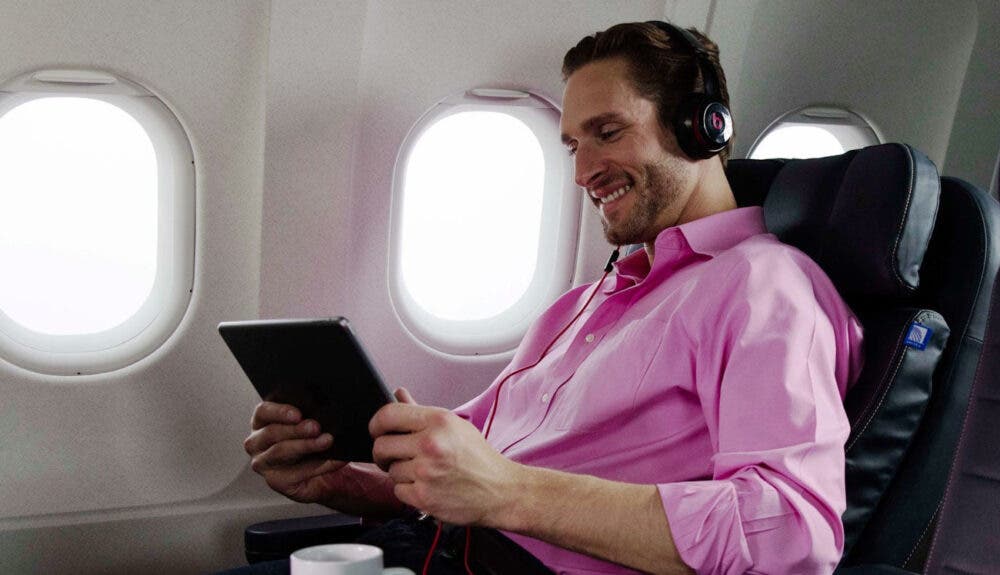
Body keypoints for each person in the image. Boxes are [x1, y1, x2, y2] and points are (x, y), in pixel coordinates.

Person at [238, 21, 863, 575]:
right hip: (433, 547)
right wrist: (344, 483)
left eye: (608, 132)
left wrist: (509, 492)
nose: (582, 171)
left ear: (702, 128)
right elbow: (476, 470)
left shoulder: (765, 288)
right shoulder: (585, 304)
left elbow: (792, 536)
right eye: (572, 146)